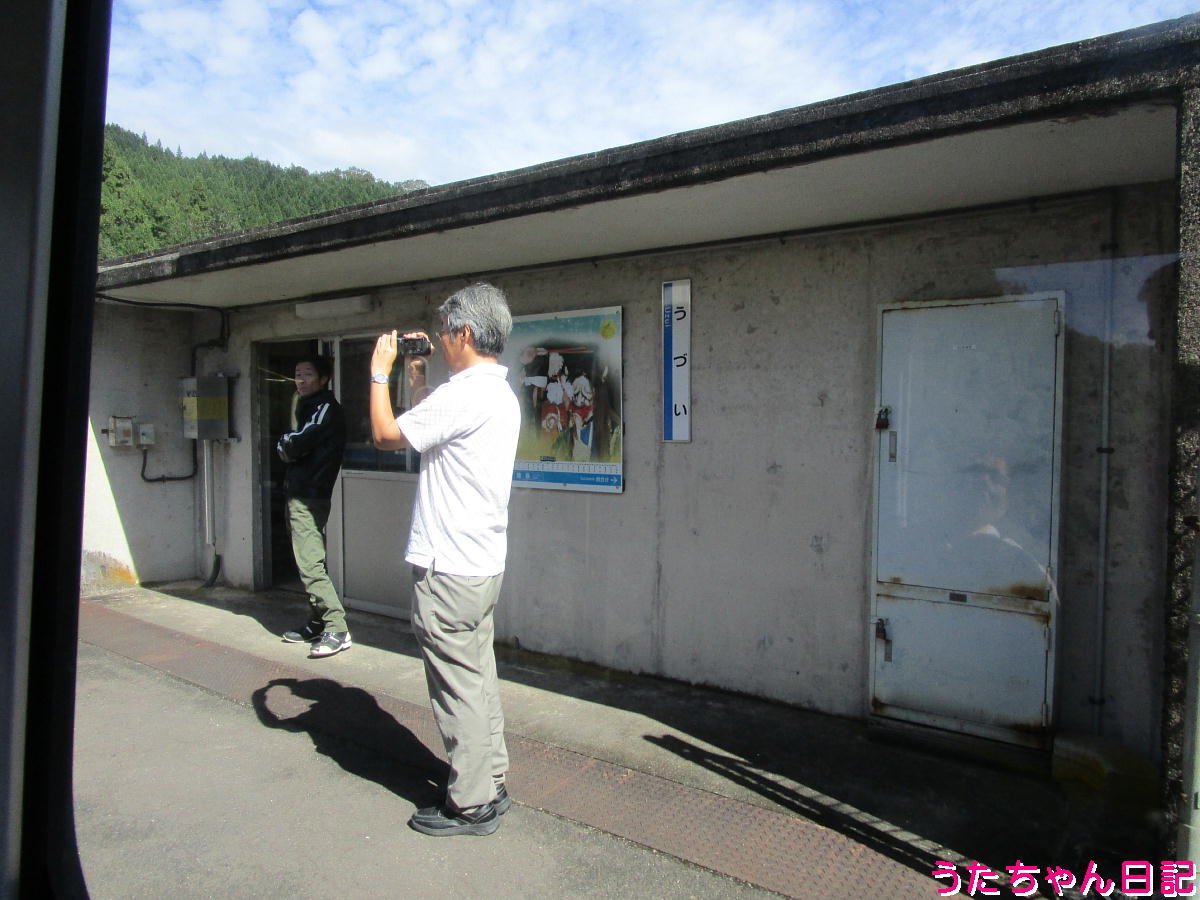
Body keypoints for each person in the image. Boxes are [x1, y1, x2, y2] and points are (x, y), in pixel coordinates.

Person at [369, 282, 520, 837]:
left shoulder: (464, 395)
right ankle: (491, 780)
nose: (439, 337)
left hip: (448, 568)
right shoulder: (496, 394)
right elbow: (428, 425)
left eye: (444, 331)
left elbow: (386, 435)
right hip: (481, 564)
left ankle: (471, 803)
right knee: (477, 676)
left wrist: (379, 372)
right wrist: (416, 373)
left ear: (464, 333)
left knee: (457, 686)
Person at [276, 354, 350, 658]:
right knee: (307, 559)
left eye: (307, 374)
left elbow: (295, 443)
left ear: (324, 379)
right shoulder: (306, 405)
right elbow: (292, 444)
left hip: (309, 496)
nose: (301, 380)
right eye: (297, 374)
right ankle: (318, 621)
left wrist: (285, 443)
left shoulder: (325, 408)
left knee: (310, 563)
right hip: (298, 493)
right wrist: (288, 444)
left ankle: (337, 627)